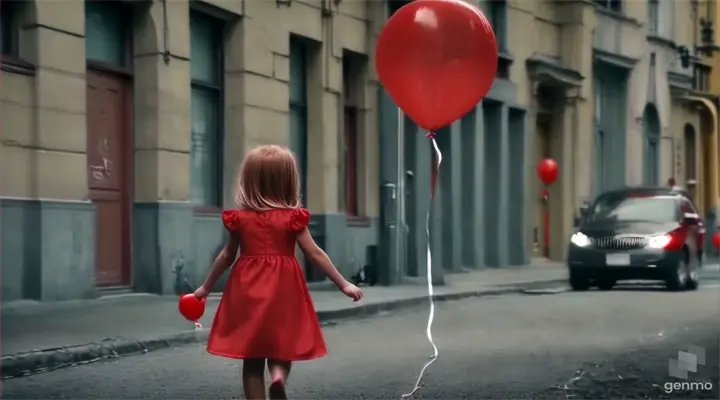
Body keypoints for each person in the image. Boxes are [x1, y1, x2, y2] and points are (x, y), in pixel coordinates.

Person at [193, 145, 364, 400]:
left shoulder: (240, 219)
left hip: (247, 289)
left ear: (249, 181)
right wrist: (344, 284)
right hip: (285, 288)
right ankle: (278, 377)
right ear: (288, 182)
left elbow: (226, 256)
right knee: (282, 345)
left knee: (251, 357)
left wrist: (205, 288)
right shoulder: (292, 218)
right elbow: (314, 253)